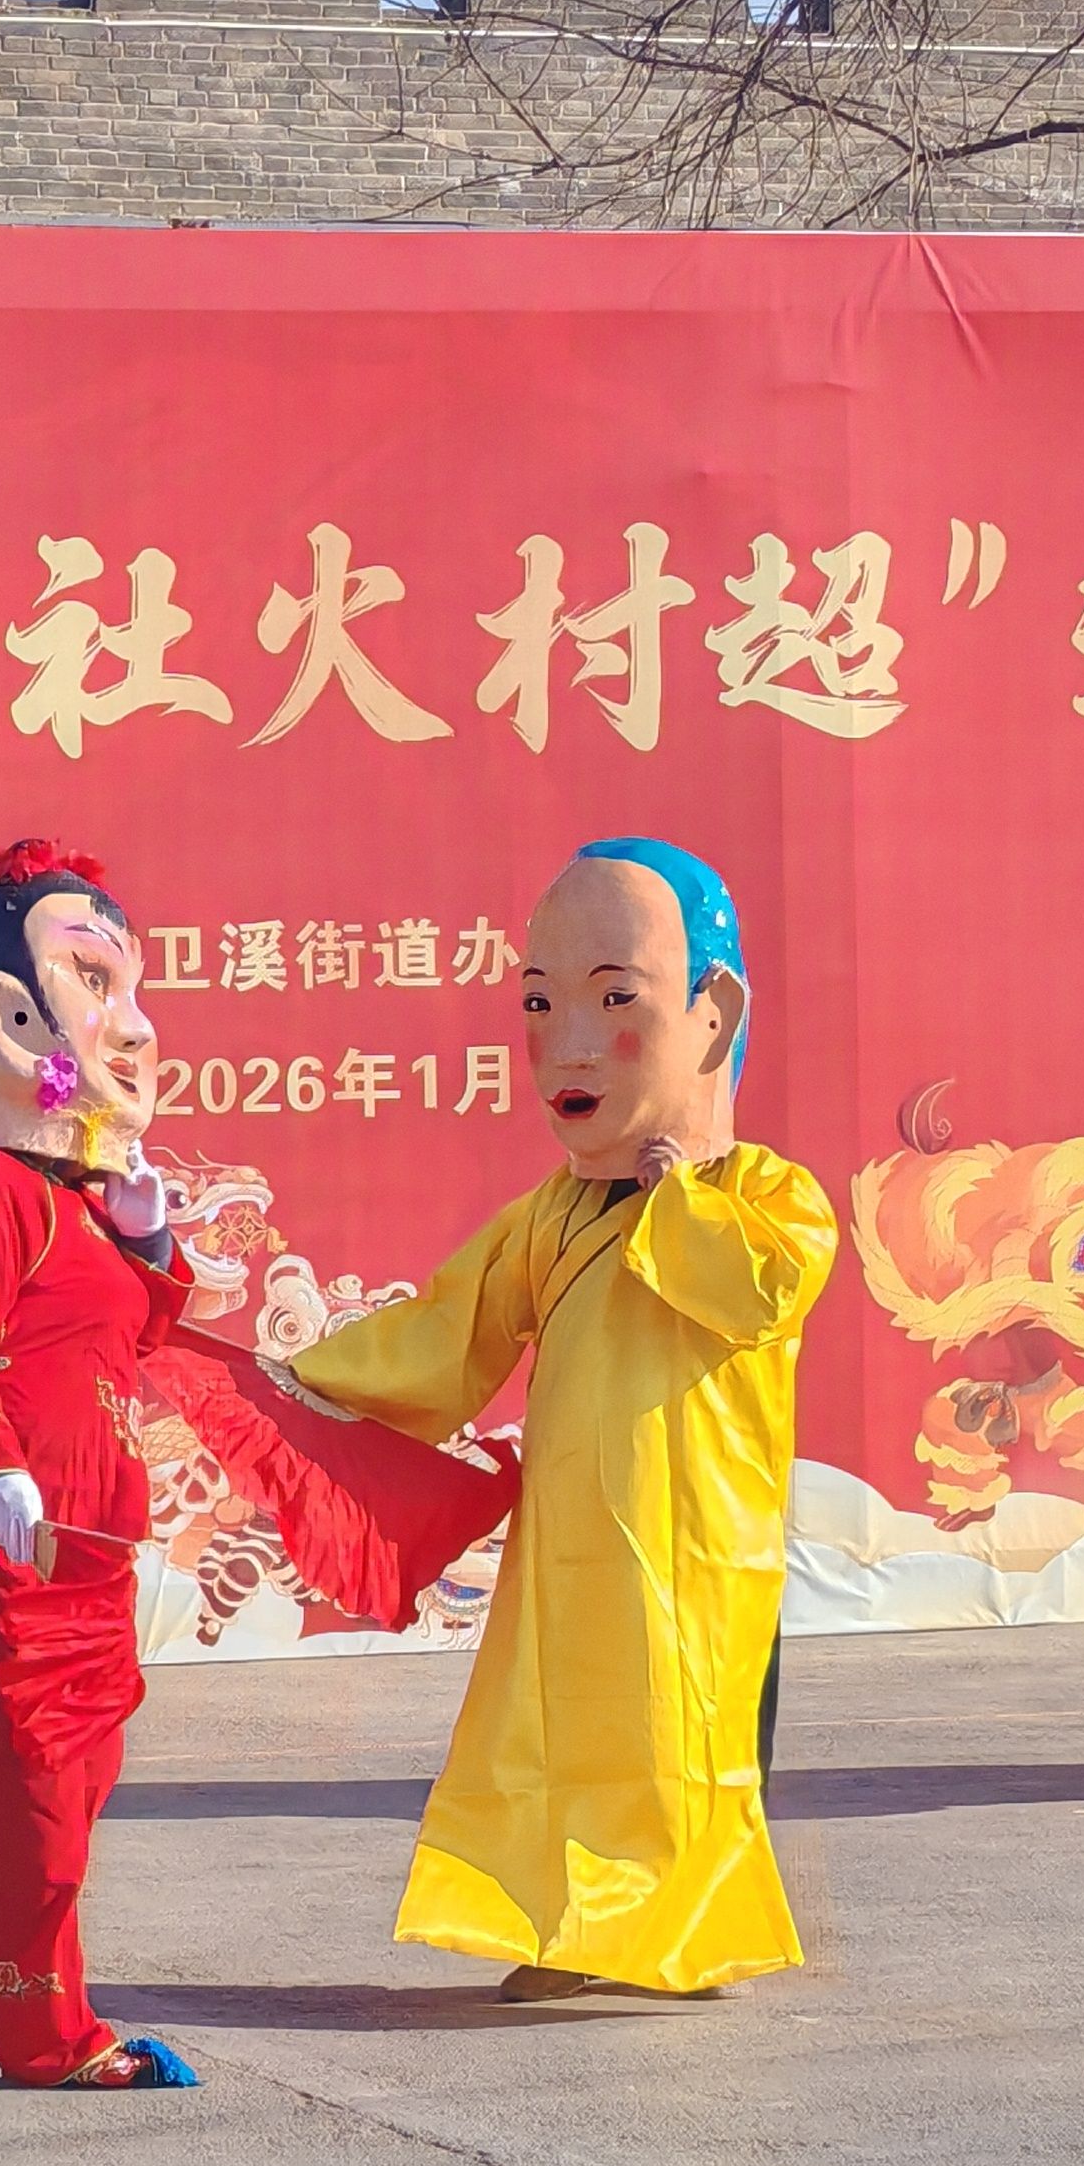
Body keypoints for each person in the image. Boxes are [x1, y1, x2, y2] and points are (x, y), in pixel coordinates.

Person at [277, 837, 837, 2002]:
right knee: (560, 1730)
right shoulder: (553, 1214)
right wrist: (303, 1384)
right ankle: (574, 1930)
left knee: (683, 1736)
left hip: (700, 1549)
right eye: (539, 1004)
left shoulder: (765, 1196)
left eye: (614, 1000)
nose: (568, 1044)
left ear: (714, 1015)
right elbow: (447, 1333)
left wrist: (675, 1195)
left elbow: (758, 1290)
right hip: (573, 1542)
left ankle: (680, 1937)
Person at [0, 840, 198, 2089]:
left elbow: (119, 1347)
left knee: (74, 1774)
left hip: (88, 1537)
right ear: (9, 1021)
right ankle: (46, 2033)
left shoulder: (70, 1202)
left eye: (131, 988)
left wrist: (147, 1246)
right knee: (33, 1794)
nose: (136, 1027)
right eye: (94, 985)